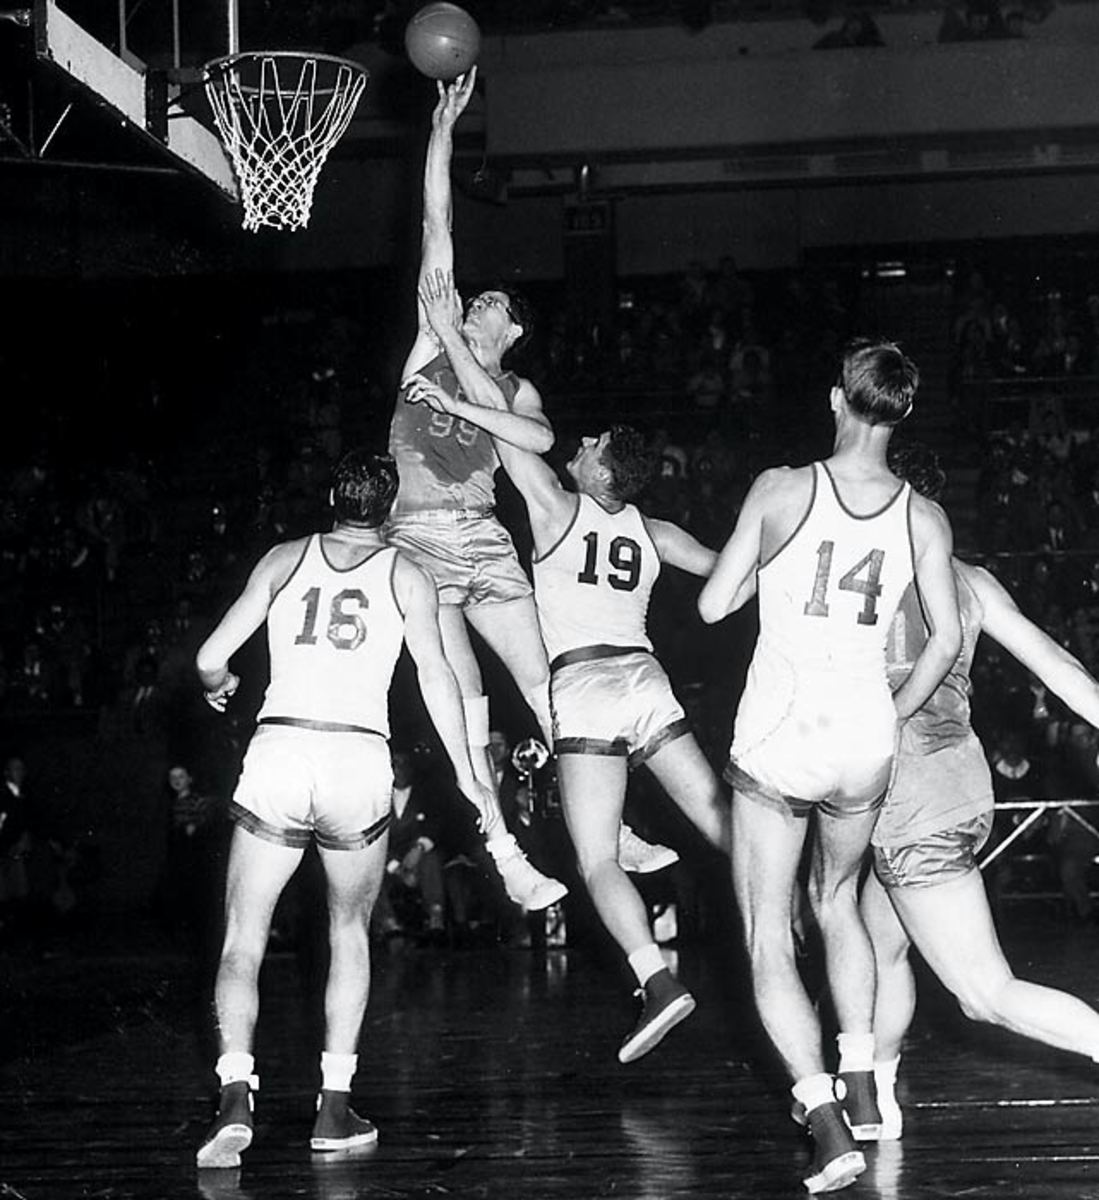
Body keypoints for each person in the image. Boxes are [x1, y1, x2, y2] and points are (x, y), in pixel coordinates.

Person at [388, 70, 669, 909]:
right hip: (417, 537)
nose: (476, 302)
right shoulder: (427, 342)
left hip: (485, 536)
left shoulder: (518, 395)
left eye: (493, 304)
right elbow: (437, 222)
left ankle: (607, 824)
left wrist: (461, 385)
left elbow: (541, 442)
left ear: (510, 332)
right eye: (475, 297)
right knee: (458, 698)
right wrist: (445, 129)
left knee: (550, 685)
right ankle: (502, 849)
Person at [411, 332, 728, 1061]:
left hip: (584, 684)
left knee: (594, 860)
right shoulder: (656, 529)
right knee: (720, 821)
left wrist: (451, 389)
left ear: (601, 470)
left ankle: (656, 980)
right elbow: (727, 574)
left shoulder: (555, 508)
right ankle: (797, 910)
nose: (579, 441)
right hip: (646, 680)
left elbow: (507, 426)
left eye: (593, 442)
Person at [697, 338, 961, 1194]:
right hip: (864, 733)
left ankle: (820, 1118)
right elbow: (948, 636)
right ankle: (859, 1073)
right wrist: (896, 708)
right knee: (837, 899)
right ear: (902, 411)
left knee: (766, 933)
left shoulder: (780, 487)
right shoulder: (923, 513)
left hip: (784, 728)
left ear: (835, 399)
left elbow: (711, 604)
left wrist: (757, 576)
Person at [193, 450, 494, 1168]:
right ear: (388, 510)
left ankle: (236, 1095)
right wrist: (468, 774)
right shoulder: (407, 574)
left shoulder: (284, 557)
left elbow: (209, 656)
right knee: (350, 934)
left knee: (243, 939)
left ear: (332, 495)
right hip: (358, 758)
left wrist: (218, 682)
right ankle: (333, 1108)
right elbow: (437, 677)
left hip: (283, 749)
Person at [860, 442, 1099, 1140]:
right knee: (885, 948)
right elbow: (1061, 670)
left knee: (983, 995)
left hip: (907, 794)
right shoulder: (971, 581)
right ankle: (872, 1095)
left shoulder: (857, 576)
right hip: (958, 786)